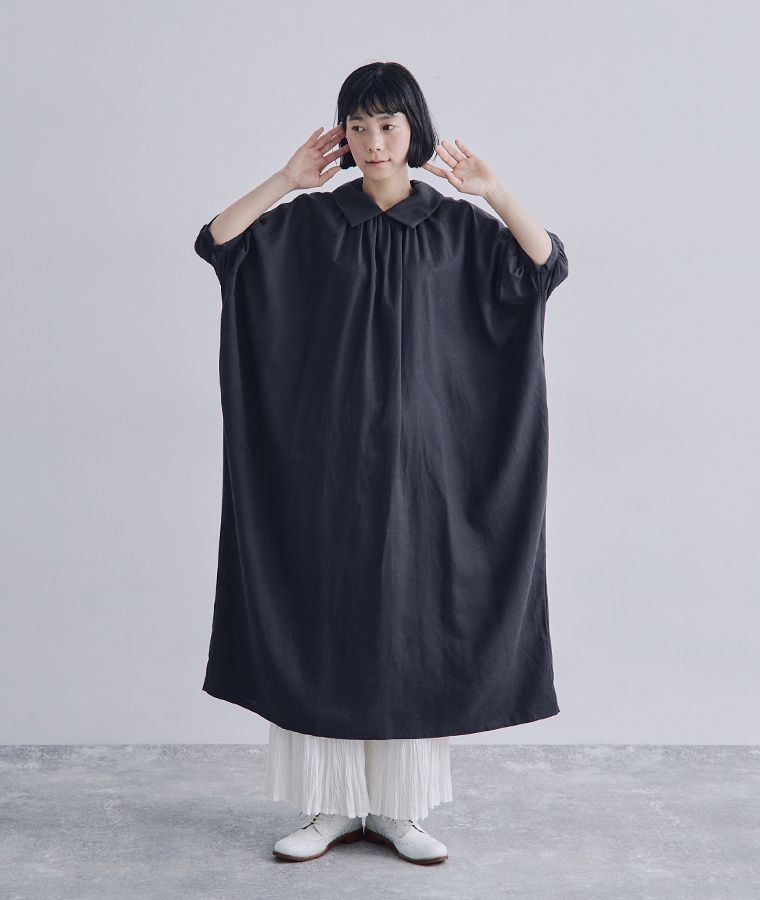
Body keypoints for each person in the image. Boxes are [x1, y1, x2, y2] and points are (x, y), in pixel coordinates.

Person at [194, 61, 569, 866]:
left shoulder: (457, 228)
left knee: (412, 627)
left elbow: (544, 267)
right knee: (324, 622)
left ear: (413, 129)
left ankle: (401, 810)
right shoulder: (311, 223)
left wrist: (494, 192)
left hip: (427, 475)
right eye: (357, 126)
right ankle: (329, 808)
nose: (372, 141)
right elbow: (219, 243)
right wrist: (286, 180)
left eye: (387, 125)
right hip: (323, 469)